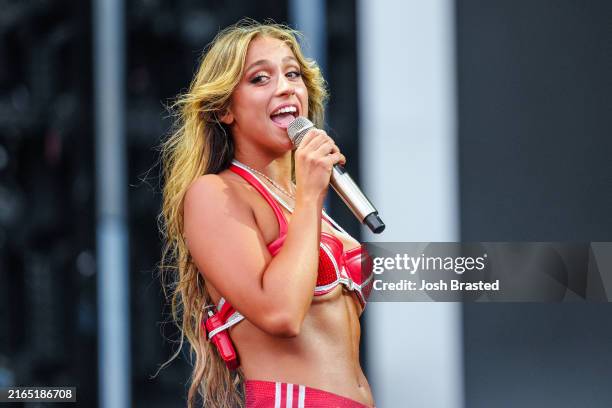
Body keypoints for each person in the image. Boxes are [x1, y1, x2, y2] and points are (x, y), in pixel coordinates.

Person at [159, 19, 375, 408]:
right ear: (225, 108)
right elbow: (280, 314)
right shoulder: (215, 193)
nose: (285, 87)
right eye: (260, 79)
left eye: (293, 74)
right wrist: (311, 195)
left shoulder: (300, 199)